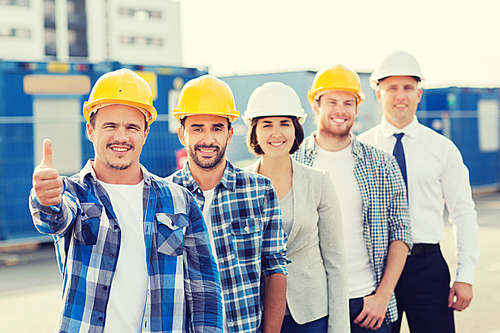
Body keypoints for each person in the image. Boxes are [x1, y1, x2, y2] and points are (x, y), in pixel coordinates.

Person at [29, 68, 223, 333]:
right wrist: (45, 199)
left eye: (132, 127)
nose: (121, 137)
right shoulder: (72, 193)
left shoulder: (179, 201)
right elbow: (53, 217)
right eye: (110, 126)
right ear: (90, 129)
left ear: (145, 133)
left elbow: (205, 291)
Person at [358, 50, 480, 333]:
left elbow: (463, 213)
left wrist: (466, 275)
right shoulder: (360, 150)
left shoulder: (442, 149)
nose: (401, 96)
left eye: (408, 88)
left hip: (427, 268)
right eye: (392, 88)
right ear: (378, 94)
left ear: (419, 94)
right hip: (374, 268)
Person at [292, 64, 413, 333]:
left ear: (357, 108)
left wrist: (382, 296)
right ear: (315, 105)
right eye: (332, 101)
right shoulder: (293, 163)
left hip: (367, 304)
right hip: (313, 308)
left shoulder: (382, 164)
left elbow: (402, 233)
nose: (340, 110)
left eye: (348, 102)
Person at [167, 75, 289, 333]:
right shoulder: (164, 197)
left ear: (230, 133)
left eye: (217, 128)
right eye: (197, 128)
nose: (208, 139)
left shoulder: (260, 191)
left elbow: (275, 266)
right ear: (182, 133)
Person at [242, 82, 349, 333]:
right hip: (256, 314)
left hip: (310, 315)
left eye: (284, 123)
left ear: (296, 129)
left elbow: (335, 261)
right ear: (254, 131)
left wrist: (339, 327)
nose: (276, 133)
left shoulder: (318, 182)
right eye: (266, 124)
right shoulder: (240, 184)